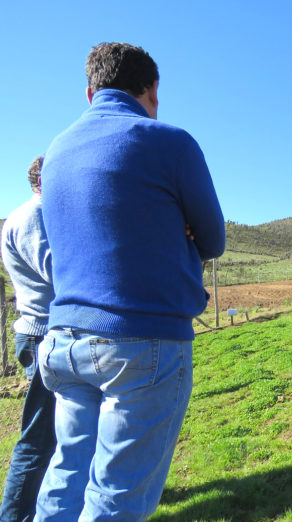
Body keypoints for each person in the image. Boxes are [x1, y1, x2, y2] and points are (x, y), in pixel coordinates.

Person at [36, 42, 226, 520]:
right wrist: (176, 228)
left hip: (62, 342)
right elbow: (214, 239)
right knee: (116, 498)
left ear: (90, 92)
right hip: (139, 344)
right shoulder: (169, 142)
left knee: (66, 479)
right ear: (153, 90)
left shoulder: (56, 151)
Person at [0, 156, 56, 522]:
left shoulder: (26, 215)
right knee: (38, 438)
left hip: (39, 333)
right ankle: (16, 516)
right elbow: (56, 270)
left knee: (54, 430)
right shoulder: (35, 216)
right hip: (43, 335)